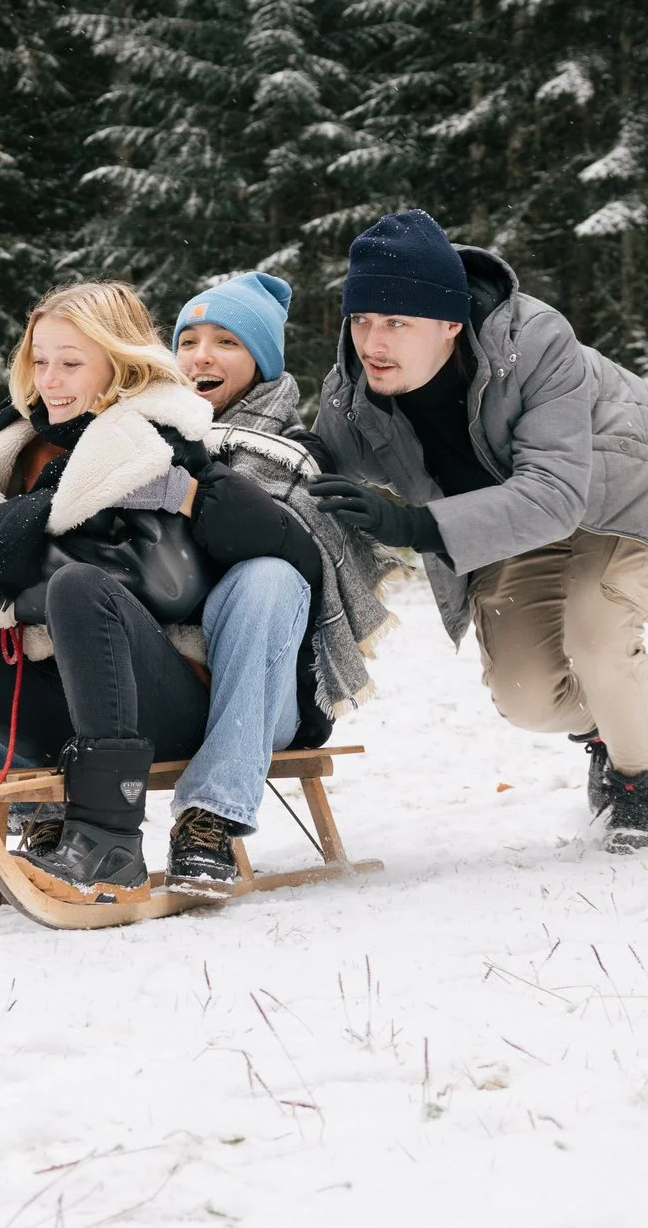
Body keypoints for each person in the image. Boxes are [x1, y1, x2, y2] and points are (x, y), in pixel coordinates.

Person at [0, 281, 328, 904]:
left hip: (151, 694)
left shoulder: (156, 442)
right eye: (40, 360)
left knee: (80, 588)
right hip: (47, 695)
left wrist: (166, 496)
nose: (50, 378)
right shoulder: (10, 444)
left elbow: (185, 584)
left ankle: (110, 830)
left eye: (71, 363)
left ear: (120, 366)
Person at [307, 210, 648, 851]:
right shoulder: (359, 379)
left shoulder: (537, 343)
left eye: (396, 323)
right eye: (361, 320)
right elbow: (327, 456)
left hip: (613, 487)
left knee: (599, 638)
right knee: (526, 697)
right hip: (509, 508)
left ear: (449, 324)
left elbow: (554, 493)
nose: (372, 342)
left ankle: (641, 783)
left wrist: (411, 523)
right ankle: (616, 719)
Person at [161, 273, 392, 893]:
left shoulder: (296, 454)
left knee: (269, 576)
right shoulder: (139, 441)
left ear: (262, 363)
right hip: (160, 685)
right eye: (189, 341)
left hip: (269, 697)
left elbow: (259, 541)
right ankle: (24, 809)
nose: (201, 356)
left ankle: (211, 817)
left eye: (227, 342)